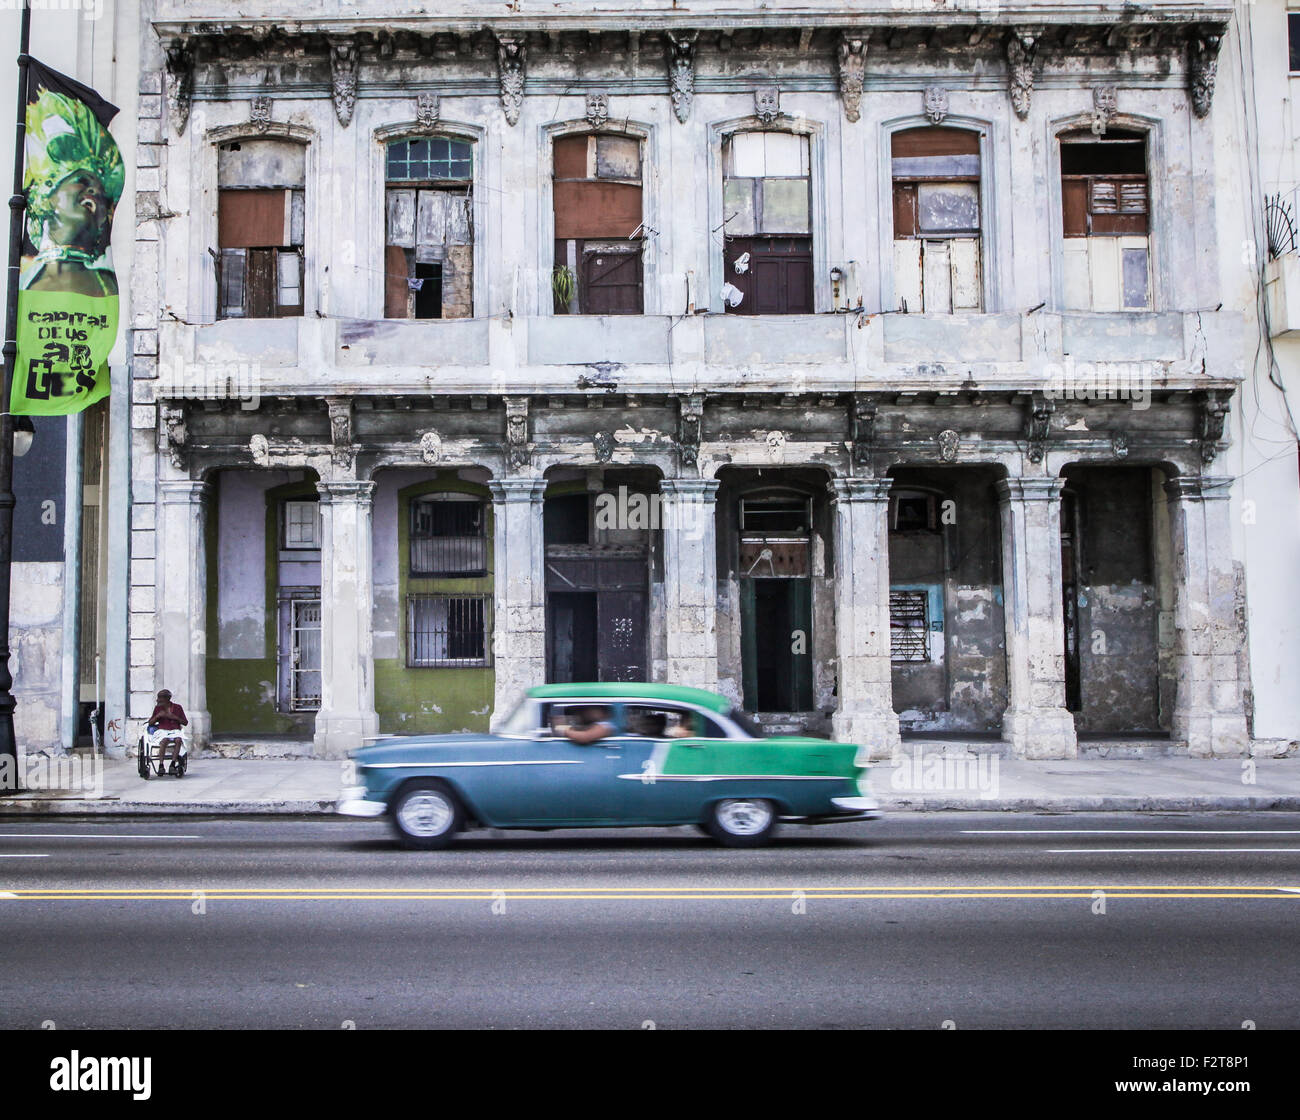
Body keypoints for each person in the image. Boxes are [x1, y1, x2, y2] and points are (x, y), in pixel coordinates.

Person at [148, 689, 188, 775]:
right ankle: (161, 765)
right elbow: (150, 723)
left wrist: (174, 717)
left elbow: (185, 722)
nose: (157, 700)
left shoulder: (178, 707)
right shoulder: (158, 708)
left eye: (160, 698)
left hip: (175, 730)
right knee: (164, 740)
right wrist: (157, 716)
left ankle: (172, 764)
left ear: (167, 699)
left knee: (178, 740)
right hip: (163, 730)